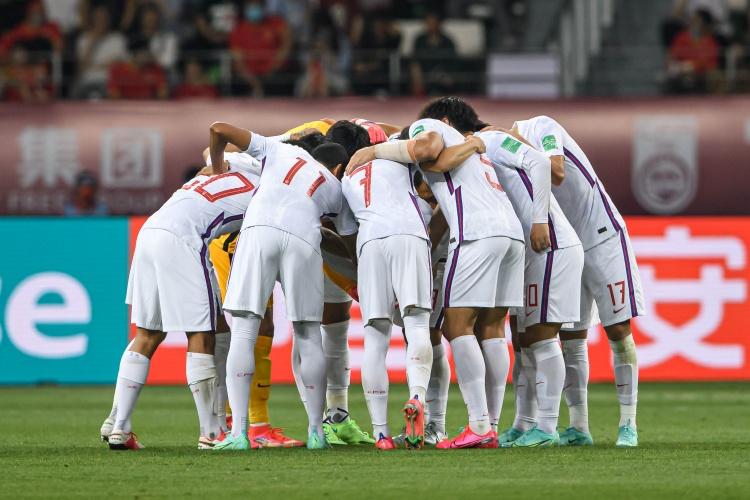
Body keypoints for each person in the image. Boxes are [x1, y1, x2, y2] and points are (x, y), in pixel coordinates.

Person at [346, 97, 525, 449]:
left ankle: (468, 425)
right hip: (507, 232)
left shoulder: (427, 133)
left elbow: (425, 149)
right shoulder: (476, 149)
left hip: (469, 234)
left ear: (442, 121)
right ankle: (484, 423)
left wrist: (375, 151)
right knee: (487, 328)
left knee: (448, 328)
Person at [208, 123, 357, 451]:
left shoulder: (281, 149)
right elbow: (348, 243)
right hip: (304, 239)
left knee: (244, 332)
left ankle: (239, 433)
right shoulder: (336, 187)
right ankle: (317, 432)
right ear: (337, 167)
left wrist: (218, 166)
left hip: (258, 232)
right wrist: (359, 277)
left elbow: (218, 129)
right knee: (308, 334)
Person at [99, 149, 261, 450]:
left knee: (148, 334)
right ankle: (211, 433)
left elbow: (214, 148)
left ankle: (118, 424)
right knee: (201, 333)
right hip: (185, 239)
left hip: (150, 231)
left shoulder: (233, 164)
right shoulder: (268, 190)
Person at [511, 115, 646, 448]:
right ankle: (579, 427)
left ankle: (628, 424)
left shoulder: (540, 127)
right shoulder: (505, 159)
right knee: (572, 336)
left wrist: (515, 147)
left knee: (618, 330)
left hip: (603, 237)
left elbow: (556, 171)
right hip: (567, 244)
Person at [472, 127, 583, 448]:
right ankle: (524, 423)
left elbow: (541, 162)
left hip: (550, 245)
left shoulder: (490, 140)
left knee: (541, 337)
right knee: (522, 340)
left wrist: (539, 221)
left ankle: (547, 428)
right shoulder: (474, 159)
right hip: (528, 253)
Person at [341, 140, 434, 450]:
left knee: (375, 337)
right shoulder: (399, 157)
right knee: (417, 324)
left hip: (368, 241)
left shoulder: (348, 175)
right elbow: (424, 149)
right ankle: (417, 396)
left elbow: (346, 231)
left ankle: (381, 434)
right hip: (409, 233)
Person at [229, 0, 293, 96]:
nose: (254, 10)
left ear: (263, 7)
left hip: (274, 74)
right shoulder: (238, 29)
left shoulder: (276, 23)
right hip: (248, 77)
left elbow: (286, 44)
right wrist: (254, 82)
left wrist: (273, 69)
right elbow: (238, 61)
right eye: (252, 6)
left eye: (257, 6)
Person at [74, 5, 128, 98]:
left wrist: (93, 66)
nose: (101, 21)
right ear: (92, 20)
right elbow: (81, 67)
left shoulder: (117, 39)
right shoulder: (84, 39)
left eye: (104, 18)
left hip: (108, 82)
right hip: (86, 81)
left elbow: (119, 64)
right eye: (98, 18)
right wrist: (92, 43)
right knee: (74, 94)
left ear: (109, 20)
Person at [666, 9, 720, 94]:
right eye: (693, 19)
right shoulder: (681, 37)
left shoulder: (710, 42)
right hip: (681, 76)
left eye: (697, 20)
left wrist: (691, 66)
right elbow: (671, 57)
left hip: (701, 78)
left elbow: (711, 65)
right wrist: (678, 67)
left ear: (705, 24)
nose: (693, 23)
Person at [410, 12, 458, 96]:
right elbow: (415, 62)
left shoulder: (447, 41)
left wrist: (448, 77)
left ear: (439, 24)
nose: (431, 25)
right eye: (428, 23)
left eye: (433, 23)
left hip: (443, 77)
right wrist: (417, 79)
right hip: (425, 76)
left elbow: (453, 62)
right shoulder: (420, 40)